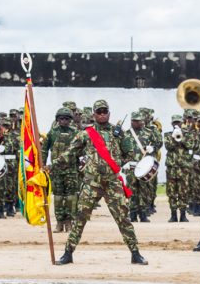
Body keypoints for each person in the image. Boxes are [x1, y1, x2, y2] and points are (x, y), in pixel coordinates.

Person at [50, 99, 147, 266]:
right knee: (80, 217)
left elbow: (130, 152)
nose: (102, 114)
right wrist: (52, 165)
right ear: (94, 114)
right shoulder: (86, 133)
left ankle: (135, 253)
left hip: (112, 183)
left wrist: (116, 164)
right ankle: (68, 253)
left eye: (104, 111)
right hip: (91, 183)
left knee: (123, 218)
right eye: (99, 111)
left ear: (109, 113)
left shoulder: (119, 133)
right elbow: (70, 153)